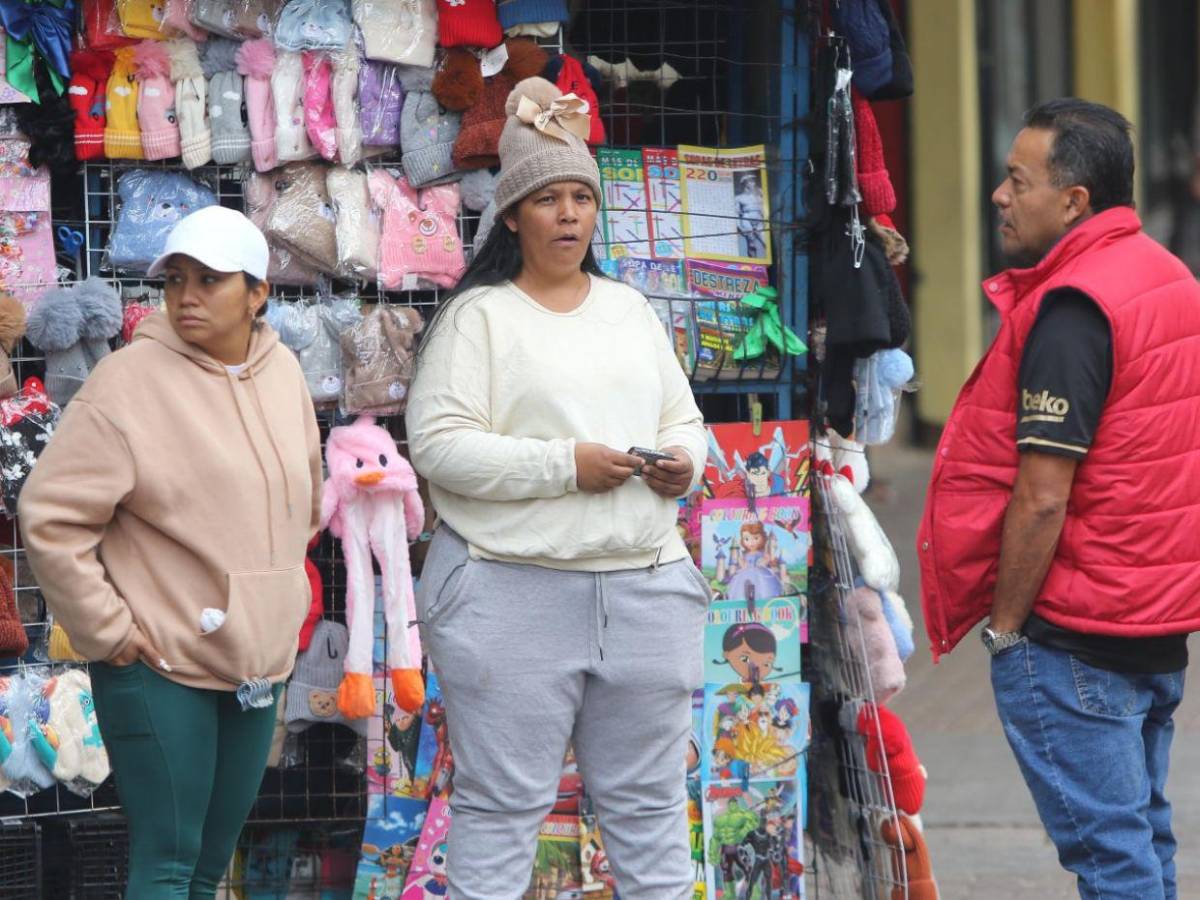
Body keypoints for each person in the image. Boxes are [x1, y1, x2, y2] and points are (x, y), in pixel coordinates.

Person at [406, 76, 709, 899]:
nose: (569, 215)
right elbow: (439, 447)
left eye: (582, 197)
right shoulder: (478, 319)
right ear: (511, 215)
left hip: (646, 588)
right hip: (509, 590)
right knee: (503, 807)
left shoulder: (629, 310)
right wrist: (564, 465)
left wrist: (684, 463)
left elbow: (684, 420)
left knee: (651, 809)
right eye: (547, 199)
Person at [919, 98, 1200, 899]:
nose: (1000, 196)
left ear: (1074, 200)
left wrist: (1007, 631)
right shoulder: (1169, 277)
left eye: (1018, 180)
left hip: (1078, 637)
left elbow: (1042, 496)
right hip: (1152, 627)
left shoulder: (1077, 309)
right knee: (1140, 838)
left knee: (1115, 858)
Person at [19, 206, 322, 898]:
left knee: (210, 867)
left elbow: (304, 500)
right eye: (175, 279)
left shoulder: (284, 374)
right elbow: (50, 513)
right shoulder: (127, 381)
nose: (187, 296)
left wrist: (276, 596)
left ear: (257, 292)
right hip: (158, 662)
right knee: (169, 864)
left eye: (209, 280)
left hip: (257, 661)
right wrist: (108, 630)